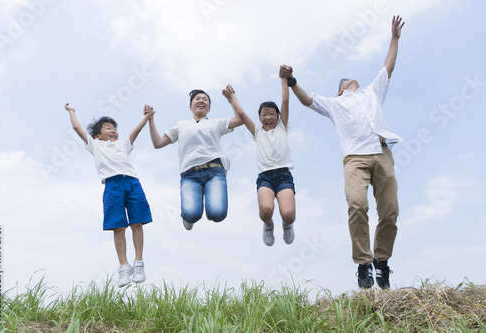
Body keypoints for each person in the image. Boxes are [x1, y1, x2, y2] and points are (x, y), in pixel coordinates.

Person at [280, 15, 405, 289]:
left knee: (390, 211)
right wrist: (291, 80)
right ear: (339, 91)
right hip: (355, 159)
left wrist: (394, 38)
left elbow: (388, 66)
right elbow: (307, 100)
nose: (351, 80)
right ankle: (363, 264)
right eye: (345, 81)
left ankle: (381, 262)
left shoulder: (373, 93)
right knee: (358, 205)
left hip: (382, 154)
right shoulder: (336, 104)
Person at [65, 103, 153, 288]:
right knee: (118, 227)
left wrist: (147, 116)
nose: (113, 131)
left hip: (132, 182)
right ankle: (123, 266)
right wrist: (72, 111)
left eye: (114, 128)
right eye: (108, 128)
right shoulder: (95, 145)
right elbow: (77, 128)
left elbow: (137, 130)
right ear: (97, 135)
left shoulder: (123, 145)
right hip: (112, 186)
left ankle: (138, 263)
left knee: (137, 222)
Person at [144, 87, 243, 230]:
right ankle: (190, 215)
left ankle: (210, 208)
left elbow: (240, 119)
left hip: (214, 171)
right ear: (190, 107)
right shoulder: (181, 125)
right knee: (190, 215)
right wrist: (150, 119)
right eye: (197, 99)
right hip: (190, 175)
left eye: (205, 99)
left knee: (217, 214)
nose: (201, 100)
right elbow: (158, 143)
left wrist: (231, 98)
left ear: (209, 108)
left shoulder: (216, 123)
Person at [227, 74, 296, 246]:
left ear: (278, 117)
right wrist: (231, 97)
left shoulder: (282, 127)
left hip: (283, 176)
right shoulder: (257, 132)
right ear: (260, 119)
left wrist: (283, 79)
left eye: (272, 114)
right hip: (265, 177)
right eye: (264, 115)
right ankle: (268, 225)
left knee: (288, 214)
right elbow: (241, 114)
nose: (268, 117)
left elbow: (285, 102)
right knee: (266, 211)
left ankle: (287, 226)